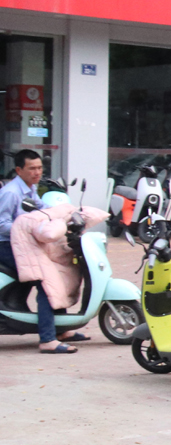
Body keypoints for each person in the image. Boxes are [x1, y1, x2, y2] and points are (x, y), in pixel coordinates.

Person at [0, 150, 79, 353]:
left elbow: (43, 210)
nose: (37, 172)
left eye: (39, 168)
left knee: (58, 271)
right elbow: (2, 224)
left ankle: (61, 329)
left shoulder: (31, 188)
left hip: (24, 245)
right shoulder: (11, 192)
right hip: (6, 246)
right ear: (19, 170)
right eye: (32, 168)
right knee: (46, 281)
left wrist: (67, 216)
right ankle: (47, 339)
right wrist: (26, 229)